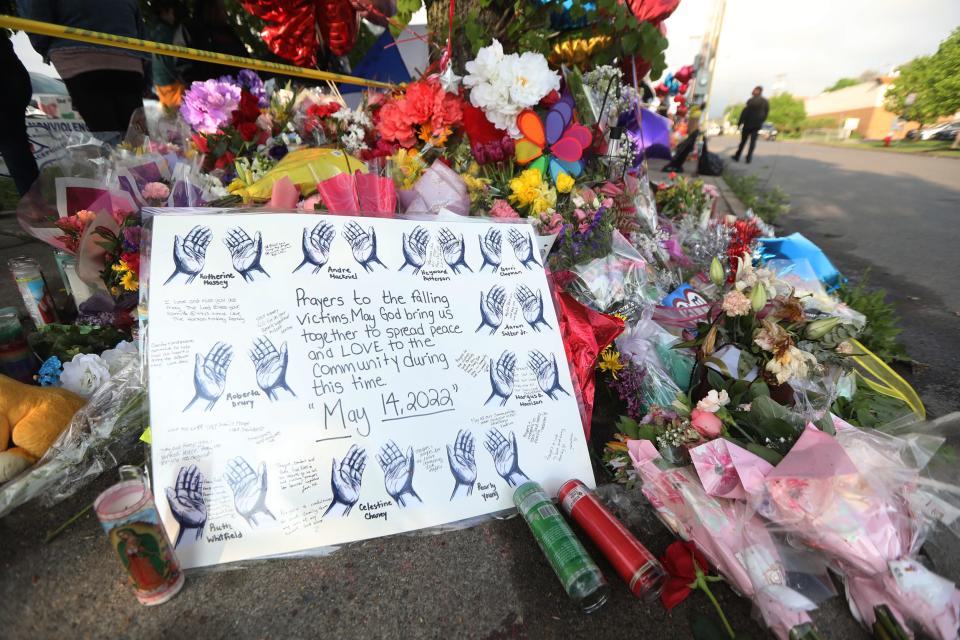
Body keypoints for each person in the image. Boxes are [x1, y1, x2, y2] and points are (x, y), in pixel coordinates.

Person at [18, 0, 148, 143]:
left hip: (79, 59)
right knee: (137, 137)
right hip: (128, 60)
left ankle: (121, 161)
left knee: (108, 135)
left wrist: (44, 47)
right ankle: (144, 161)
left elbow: (36, 17)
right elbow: (141, 31)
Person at [0, 33, 39, 196]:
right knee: (15, 143)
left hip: (10, 80)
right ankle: (35, 203)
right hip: (13, 78)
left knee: (14, 143)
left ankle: (34, 203)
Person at [147, 0, 187, 109]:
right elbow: (168, 60)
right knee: (178, 120)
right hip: (172, 84)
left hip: (160, 84)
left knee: (170, 119)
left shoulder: (153, 28)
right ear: (165, 11)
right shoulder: (165, 32)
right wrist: (182, 79)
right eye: (172, 12)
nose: (174, 17)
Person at [732, 85, 769, 164]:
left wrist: (739, 123)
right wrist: (760, 121)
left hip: (748, 124)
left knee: (743, 141)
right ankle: (749, 158)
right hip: (756, 125)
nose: (752, 91)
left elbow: (745, 112)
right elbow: (766, 114)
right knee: (752, 142)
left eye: (754, 90)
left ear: (758, 91)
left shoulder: (751, 101)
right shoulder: (765, 101)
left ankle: (737, 156)